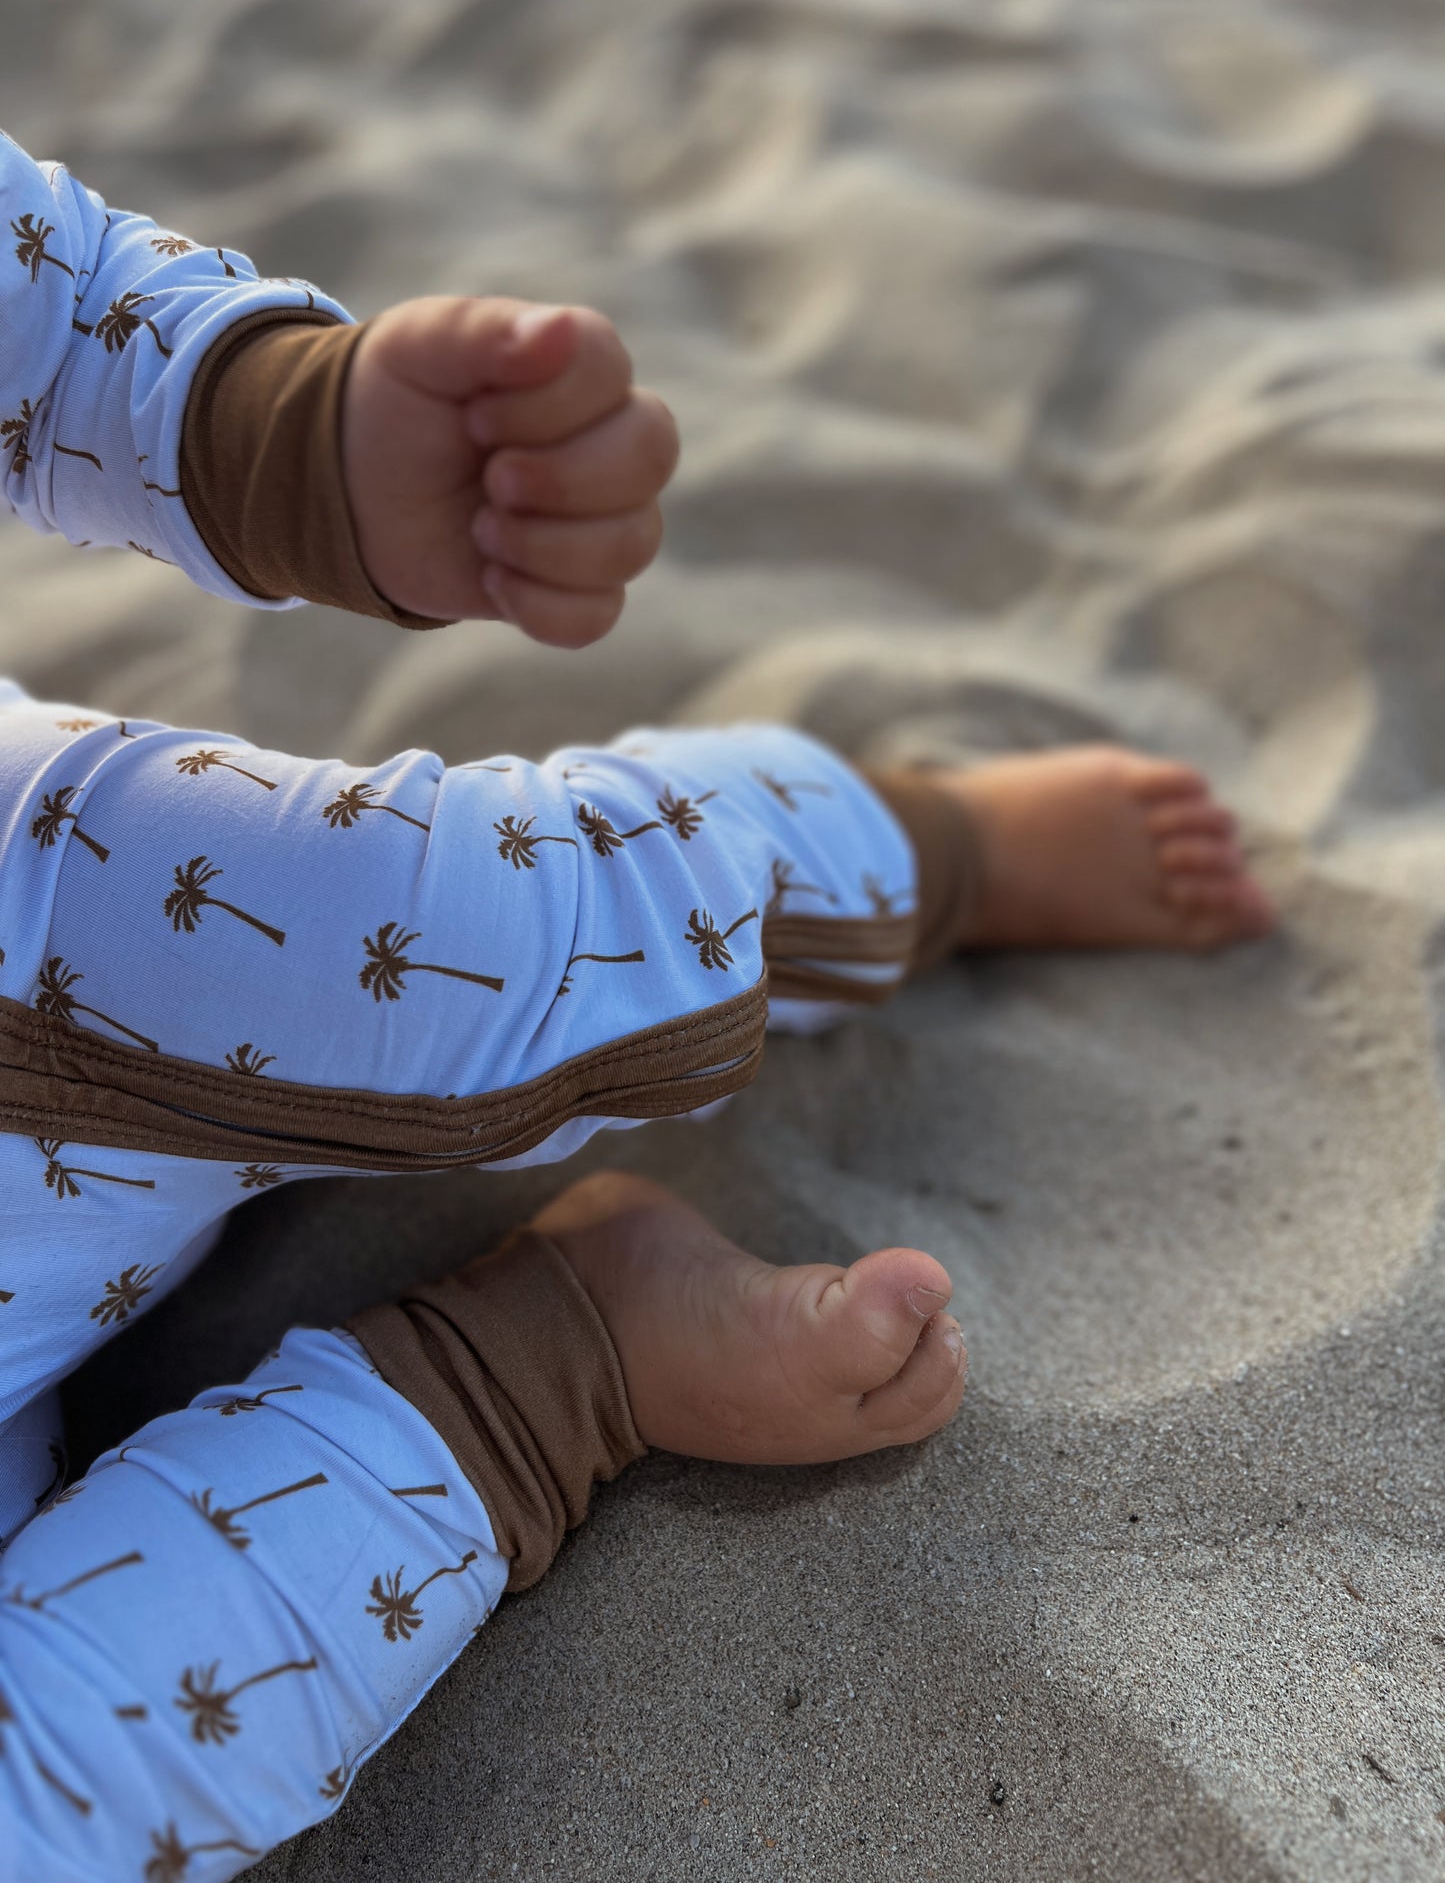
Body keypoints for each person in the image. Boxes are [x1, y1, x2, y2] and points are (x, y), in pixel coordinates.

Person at [0, 125, 1273, 1880]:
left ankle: (917, 852)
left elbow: (47, 328)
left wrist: (285, 437)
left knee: (501, 931)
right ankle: (539, 1370)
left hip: (54, 922)